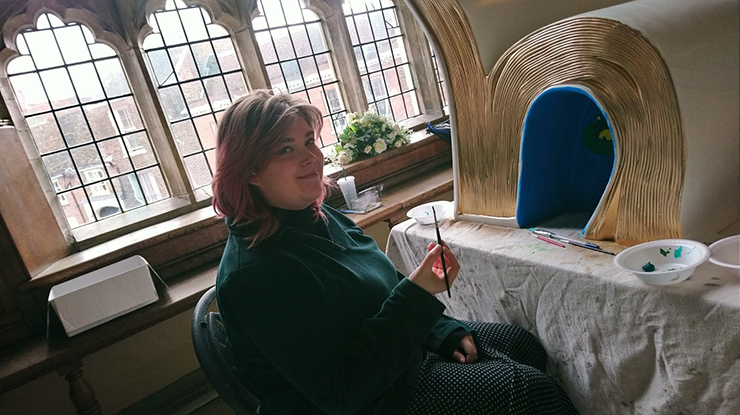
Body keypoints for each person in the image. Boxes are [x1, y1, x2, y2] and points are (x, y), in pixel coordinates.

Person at [212, 90, 579, 415]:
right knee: (527, 391)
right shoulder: (256, 275)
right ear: (250, 173)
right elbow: (342, 392)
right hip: (370, 398)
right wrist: (417, 296)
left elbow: (383, 285)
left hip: (391, 358)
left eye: (309, 140)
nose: (311, 157)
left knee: (521, 344)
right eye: (286, 149)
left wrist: (443, 330)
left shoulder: (312, 215)